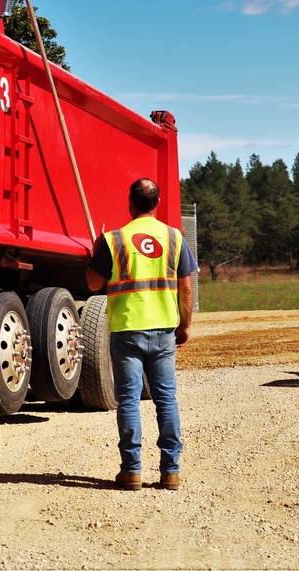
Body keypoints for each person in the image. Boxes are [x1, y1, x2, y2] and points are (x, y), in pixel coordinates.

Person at [86, 178, 197, 491]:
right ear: (157, 203)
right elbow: (186, 287)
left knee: (130, 401)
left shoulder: (114, 240)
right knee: (165, 398)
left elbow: (94, 284)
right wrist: (184, 324)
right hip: (163, 328)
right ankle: (170, 472)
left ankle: (131, 471)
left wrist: (95, 252)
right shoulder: (175, 238)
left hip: (127, 329)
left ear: (130, 204)